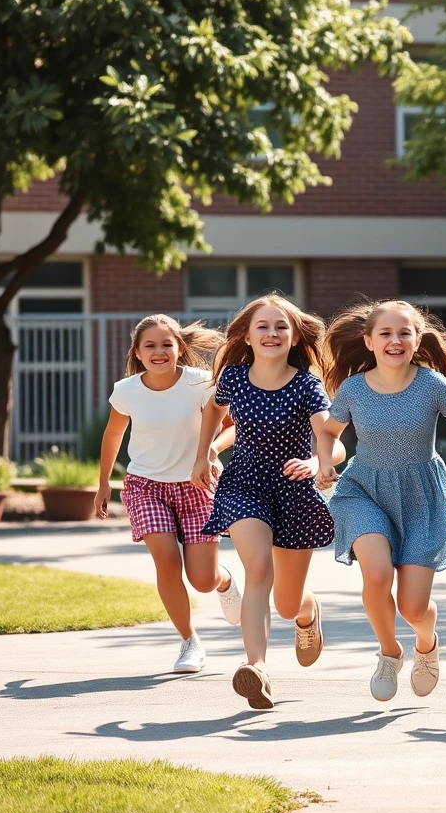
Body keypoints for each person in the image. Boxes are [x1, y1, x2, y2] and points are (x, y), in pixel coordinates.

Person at [316, 300, 446, 702]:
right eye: (386, 334)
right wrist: (325, 461)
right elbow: (328, 432)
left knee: (413, 608)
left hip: (421, 498)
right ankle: (390, 653)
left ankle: (425, 643)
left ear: (417, 339)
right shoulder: (354, 388)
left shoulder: (430, 384)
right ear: (369, 341)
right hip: (364, 491)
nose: (395, 341)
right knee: (376, 574)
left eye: (404, 333)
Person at [191, 295, 345, 710]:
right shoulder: (234, 378)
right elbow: (213, 412)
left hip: (294, 493)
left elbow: (333, 442)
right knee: (257, 567)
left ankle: (307, 611)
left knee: (287, 602)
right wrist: (204, 452)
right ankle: (256, 669)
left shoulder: (306, 385)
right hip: (245, 486)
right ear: (247, 334)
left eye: (281, 326)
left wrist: (317, 461)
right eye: (263, 326)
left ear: (295, 336)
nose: (272, 333)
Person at [95, 314, 242, 673]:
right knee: (166, 561)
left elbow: (231, 427)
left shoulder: (202, 384)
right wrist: (103, 484)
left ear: (179, 348)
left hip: (196, 485)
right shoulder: (126, 390)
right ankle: (189, 642)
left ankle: (223, 579)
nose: (159, 352)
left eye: (166, 344)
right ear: (138, 352)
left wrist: (210, 452)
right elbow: (114, 435)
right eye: (150, 345)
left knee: (202, 579)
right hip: (145, 486)